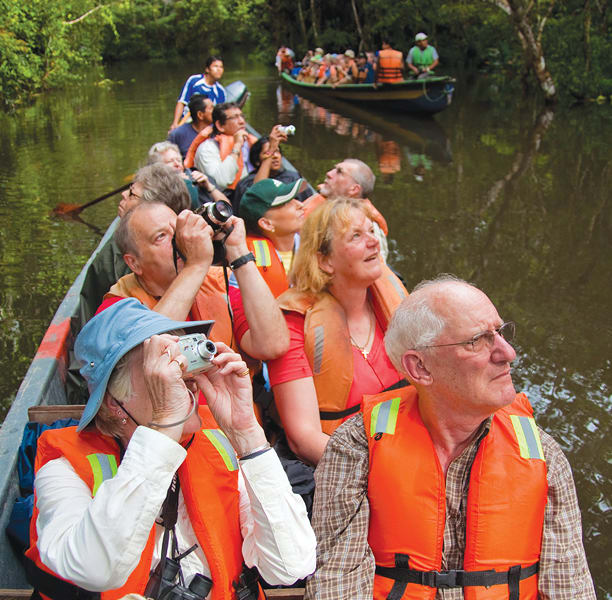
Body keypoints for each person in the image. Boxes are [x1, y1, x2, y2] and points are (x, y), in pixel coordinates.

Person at [305, 274, 596, 600]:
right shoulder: (357, 448)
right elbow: (336, 584)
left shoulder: (542, 453)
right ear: (420, 368)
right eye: (477, 341)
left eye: (500, 333)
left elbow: (570, 588)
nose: (507, 353)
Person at [25, 299, 316, 599]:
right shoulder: (63, 470)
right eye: (159, 370)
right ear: (114, 402)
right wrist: (164, 425)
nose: (183, 381)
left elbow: (291, 565)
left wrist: (247, 433)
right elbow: (96, 569)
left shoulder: (216, 445)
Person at [267, 198, 407, 469]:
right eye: (356, 236)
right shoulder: (295, 324)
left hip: (412, 448)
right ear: (325, 261)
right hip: (348, 467)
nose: (373, 242)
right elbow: (304, 438)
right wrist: (383, 472)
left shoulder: (394, 303)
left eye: (371, 231)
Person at [103, 201, 290, 362]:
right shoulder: (117, 305)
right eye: (161, 236)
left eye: (177, 229)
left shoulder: (219, 285)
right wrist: (196, 264)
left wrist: (238, 253)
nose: (179, 239)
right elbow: (148, 360)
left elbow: (273, 345)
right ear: (133, 263)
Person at [302, 158, 389, 261]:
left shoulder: (370, 228)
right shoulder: (320, 202)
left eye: (339, 172)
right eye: (334, 169)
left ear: (354, 189)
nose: (329, 173)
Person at [232, 131, 307, 213]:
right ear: (257, 160)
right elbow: (256, 195)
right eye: (267, 152)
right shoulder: (247, 182)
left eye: (277, 151)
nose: (275, 156)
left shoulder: (293, 177)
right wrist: (271, 149)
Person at [193, 103, 259, 192]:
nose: (242, 121)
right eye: (235, 118)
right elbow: (222, 182)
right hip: (226, 198)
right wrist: (237, 146)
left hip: (251, 191)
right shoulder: (207, 149)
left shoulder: (249, 142)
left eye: (242, 116)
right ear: (220, 125)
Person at [148, 141, 226, 210]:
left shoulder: (199, 178)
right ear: (158, 168)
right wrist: (186, 184)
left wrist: (210, 187)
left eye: (178, 160)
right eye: (170, 161)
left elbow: (227, 209)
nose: (177, 164)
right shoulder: (156, 189)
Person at [170, 56, 226, 132]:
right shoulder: (194, 81)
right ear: (207, 69)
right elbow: (182, 102)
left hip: (206, 129)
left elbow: (219, 116)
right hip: (187, 123)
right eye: (215, 66)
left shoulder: (221, 91)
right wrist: (175, 123)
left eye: (221, 67)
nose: (219, 69)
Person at [168, 94, 214, 159]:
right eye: (211, 108)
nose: (215, 111)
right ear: (200, 115)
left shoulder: (219, 131)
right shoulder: (177, 134)